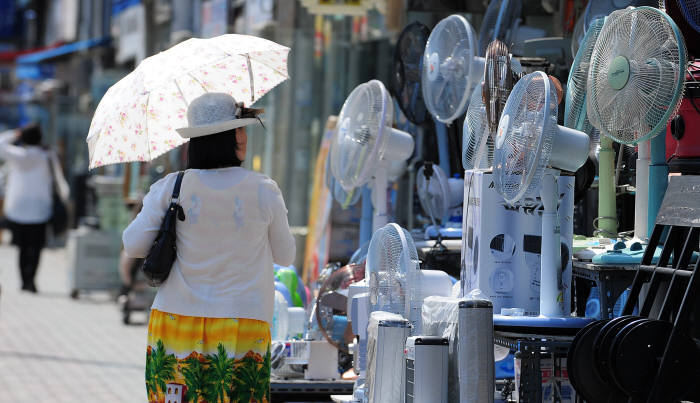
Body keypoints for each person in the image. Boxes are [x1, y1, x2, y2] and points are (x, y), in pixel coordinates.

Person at [122, 92, 296, 403]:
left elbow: (132, 244)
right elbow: (286, 256)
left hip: (176, 319)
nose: (244, 137)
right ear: (225, 137)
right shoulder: (264, 190)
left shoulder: (171, 187)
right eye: (238, 129)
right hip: (244, 321)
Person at [0, 124, 67, 293]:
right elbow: (58, 178)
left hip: (18, 209)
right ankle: (31, 280)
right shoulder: (46, 155)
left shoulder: (17, 156)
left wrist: (15, 134)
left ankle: (23, 280)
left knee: (22, 248)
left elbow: (1, 144)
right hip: (40, 210)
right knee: (36, 247)